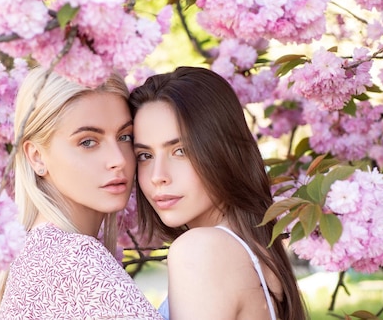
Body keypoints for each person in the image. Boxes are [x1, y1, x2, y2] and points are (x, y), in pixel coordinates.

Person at [0, 66, 162, 320]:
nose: (118, 159)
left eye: (125, 137)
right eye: (88, 141)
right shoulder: (74, 257)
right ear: (37, 156)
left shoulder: (38, 252)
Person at [129, 66, 307, 320]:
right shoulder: (256, 249)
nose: (158, 176)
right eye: (145, 156)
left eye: (181, 151)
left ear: (222, 150)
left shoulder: (202, 249)